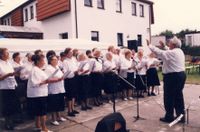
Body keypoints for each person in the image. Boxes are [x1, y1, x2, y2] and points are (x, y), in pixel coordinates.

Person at [147, 36, 186, 123]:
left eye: (170, 42)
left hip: (172, 77)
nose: (169, 43)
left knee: (169, 97)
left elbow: (160, 53)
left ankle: (169, 116)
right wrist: (164, 46)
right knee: (178, 96)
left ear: (173, 44)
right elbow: (167, 50)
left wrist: (150, 45)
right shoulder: (179, 51)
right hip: (180, 75)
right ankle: (181, 116)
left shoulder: (172, 53)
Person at [27, 54, 52, 132]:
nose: (44, 62)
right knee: (42, 112)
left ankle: (38, 125)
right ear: (38, 61)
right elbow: (35, 83)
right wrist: (46, 81)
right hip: (38, 94)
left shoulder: (38, 69)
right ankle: (44, 129)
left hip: (40, 93)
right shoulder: (35, 70)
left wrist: (46, 81)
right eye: (43, 60)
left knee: (38, 111)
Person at [0, 48, 20, 130]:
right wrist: (8, 75)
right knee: (6, 107)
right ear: (1, 54)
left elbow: (12, 73)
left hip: (12, 86)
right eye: (6, 53)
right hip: (4, 88)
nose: (8, 54)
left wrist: (15, 74)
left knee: (12, 105)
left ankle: (11, 121)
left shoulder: (9, 63)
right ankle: (7, 123)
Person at [45, 55, 66, 126]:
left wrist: (63, 76)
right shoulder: (48, 68)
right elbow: (47, 79)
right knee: (53, 104)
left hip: (60, 87)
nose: (56, 61)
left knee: (59, 103)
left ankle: (59, 117)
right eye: (54, 60)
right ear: (50, 61)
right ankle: (53, 119)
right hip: (53, 89)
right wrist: (57, 80)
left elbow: (60, 75)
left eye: (57, 59)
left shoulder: (57, 67)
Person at [63, 48, 79, 117]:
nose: (71, 53)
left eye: (72, 52)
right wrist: (73, 72)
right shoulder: (65, 61)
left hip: (74, 77)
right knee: (69, 95)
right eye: (70, 52)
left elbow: (76, 67)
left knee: (74, 94)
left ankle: (73, 108)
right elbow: (66, 71)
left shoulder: (73, 59)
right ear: (66, 54)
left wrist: (77, 70)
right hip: (69, 79)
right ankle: (69, 110)